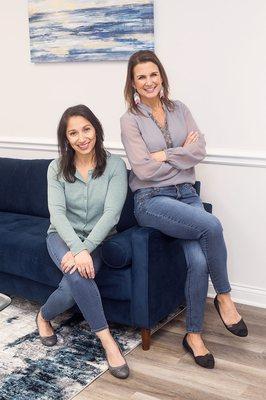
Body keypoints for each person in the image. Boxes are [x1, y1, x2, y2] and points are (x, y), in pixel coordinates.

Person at [120, 50, 248, 369]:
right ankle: (225, 297)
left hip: (187, 195)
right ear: (133, 84)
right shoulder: (129, 120)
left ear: (161, 76)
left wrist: (163, 155)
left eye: (153, 74)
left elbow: (199, 150)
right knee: (212, 226)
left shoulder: (181, 109)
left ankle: (193, 336)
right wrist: (180, 156)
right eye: (141, 77)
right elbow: (143, 171)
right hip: (152, 201)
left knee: (199, 260)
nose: (149, 82)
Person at [36, 104, 129, 379]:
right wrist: (77, 249)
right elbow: (58, 214)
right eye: (73, 133)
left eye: (86, 129)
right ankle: (108, 341)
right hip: (61, 237)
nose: (82, 137)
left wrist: (86, 248)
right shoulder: (56, 168)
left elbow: (112, 214)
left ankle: (43, 315)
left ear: (96, 129)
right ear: (66, 139)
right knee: (78, 277)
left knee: (69, 288)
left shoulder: (115, 165)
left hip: (97, 241)